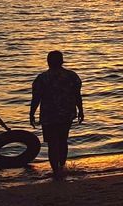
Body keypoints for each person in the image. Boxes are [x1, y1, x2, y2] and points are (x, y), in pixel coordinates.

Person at [30, 50, 83, 179]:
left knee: (52, 143)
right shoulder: (71, 76)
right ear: (62, 61)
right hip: (67, 113)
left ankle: (56, 171)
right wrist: (81, 110)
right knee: (63, 140)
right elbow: (77, 95)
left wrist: (31, 113)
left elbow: (36, 98)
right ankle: (61, 166)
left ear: (48, 62)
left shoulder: (42, 78)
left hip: (49, 115)